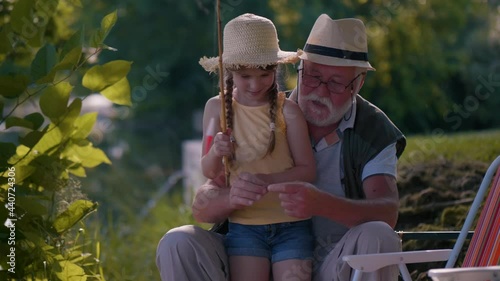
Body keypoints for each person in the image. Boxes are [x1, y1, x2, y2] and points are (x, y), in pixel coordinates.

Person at [156, 13, 407, 281]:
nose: (320, 91)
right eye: (312, 76)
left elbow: (386, 212)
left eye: (335, 82)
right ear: (299, 69)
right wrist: (232, 195)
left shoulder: (373, 129)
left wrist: (322, 204)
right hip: (247, 241)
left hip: (334, 265)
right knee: (178, 242)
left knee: (378, 235)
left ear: (358, 83)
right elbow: (203, 207)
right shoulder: (258, 110)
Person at [198, 13, 316, 281]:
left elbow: (308, 171)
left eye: (265, 75)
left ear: (276, 69)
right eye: (245, 76)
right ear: (229, 72)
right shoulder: (216, 109)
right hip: (244, 226)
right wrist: (216, 150)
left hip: (292, 225)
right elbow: (207, 169)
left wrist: (267, 180)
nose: (255, 85)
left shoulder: (290, 112)